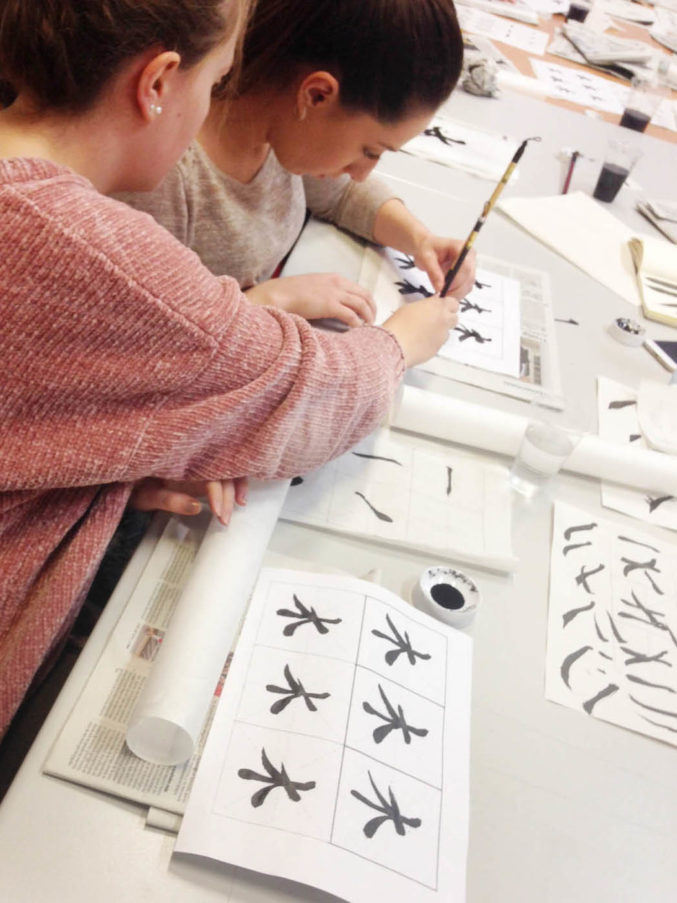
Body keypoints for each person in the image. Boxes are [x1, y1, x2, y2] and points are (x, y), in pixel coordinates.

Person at [0, 0, 459, 739]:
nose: (217, 105)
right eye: (216, 83)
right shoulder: (98, 253)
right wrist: (402, 343)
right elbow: (308, 394)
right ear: (158, 83)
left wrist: (110, 470)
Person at [118, 0, 475, 327]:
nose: (362, 173)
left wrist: (419, 239)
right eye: (370, 151)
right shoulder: (165, 178)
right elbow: (142, 335)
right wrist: (269, 300)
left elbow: (343, 195)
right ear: (316, 95)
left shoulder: (281, 128)